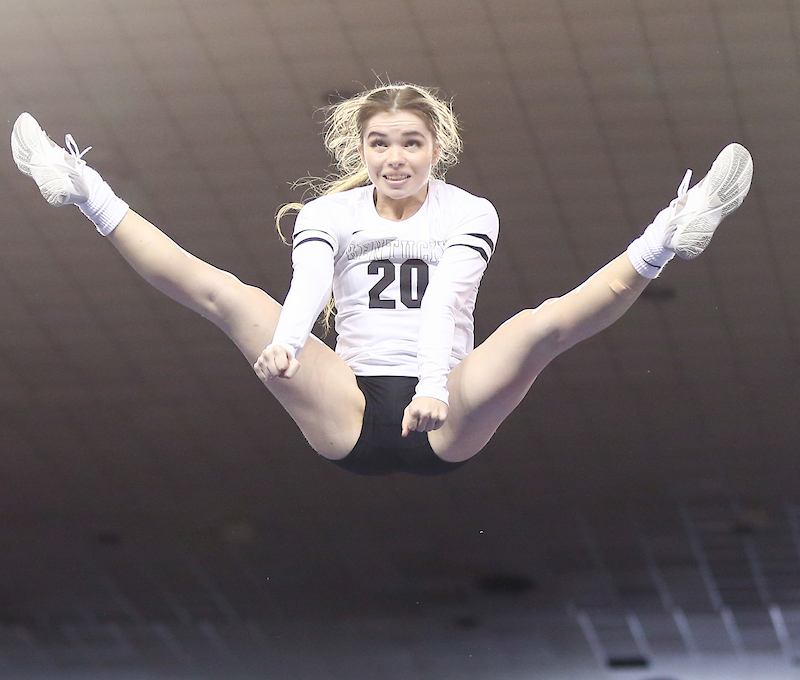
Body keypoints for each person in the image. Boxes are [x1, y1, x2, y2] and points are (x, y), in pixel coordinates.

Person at [11, 86, 753, 477]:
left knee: (538, 328)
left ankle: (670, 232)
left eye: (411, 142)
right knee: (234, 298)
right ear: (361, 149)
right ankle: (82, 187)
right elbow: (304, 285)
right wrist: (288, 345)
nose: (395, 156)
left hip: (447, 407)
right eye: (380, 142)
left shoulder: (468, 213)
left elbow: (451, 301)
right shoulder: (332, 214)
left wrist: (436, 387)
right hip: (352, 407)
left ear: (437, 149)